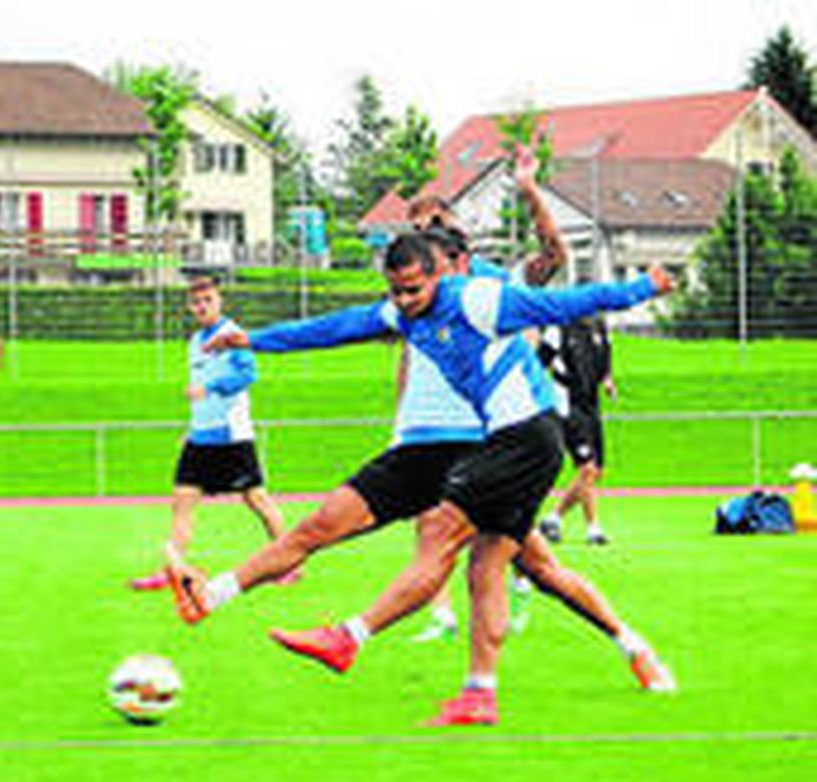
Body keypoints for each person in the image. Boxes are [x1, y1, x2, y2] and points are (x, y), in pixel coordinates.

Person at [170, 234, 675, 725]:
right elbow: (338, 326)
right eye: (397, 291)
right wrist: (255, 339)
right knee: (505, 566)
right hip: (457, 445)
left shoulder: (479, 298)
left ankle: (353, 638)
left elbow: (564, 302)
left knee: (453, 542)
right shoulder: (402, 312)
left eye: (415, 289)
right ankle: (213, 596)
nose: (405, 301)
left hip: (526, 438)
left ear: (445, 269)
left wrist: (642, 289)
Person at [408, 150, 566, 640]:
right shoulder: (414, 295)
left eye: (435, 221)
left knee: (508, 544)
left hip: (491, 427)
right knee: (430, 521)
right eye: (417, 224)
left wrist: (529, 189)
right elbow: (408, 361)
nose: (425, 229)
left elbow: (552, 258)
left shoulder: (492, 282)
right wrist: (402, 419)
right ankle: (442, 617)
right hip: (433, 425)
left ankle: (621, 636)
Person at [131, 276, 289, 590]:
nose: (202, 307)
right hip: (201, 438)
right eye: (197, 302)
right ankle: (173, 569)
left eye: (208, 300)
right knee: (181, 501)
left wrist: (211, 387)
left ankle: (287, 562)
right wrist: (192, 429)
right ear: (190, 307)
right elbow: (199, 390)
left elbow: (248, 374)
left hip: (232, 437)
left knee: (256, 499)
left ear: (219, 302)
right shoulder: (194, 342)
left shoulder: (232, 335)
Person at [538, 313, 616, 544]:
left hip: (591, 403)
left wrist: (608, 381)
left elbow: (605, 360)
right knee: (587, 469)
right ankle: (593, 529)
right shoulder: (558, 329)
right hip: (567, 404)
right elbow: (538, 362)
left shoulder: (601, 327)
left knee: (595, 472)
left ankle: (553, 517)